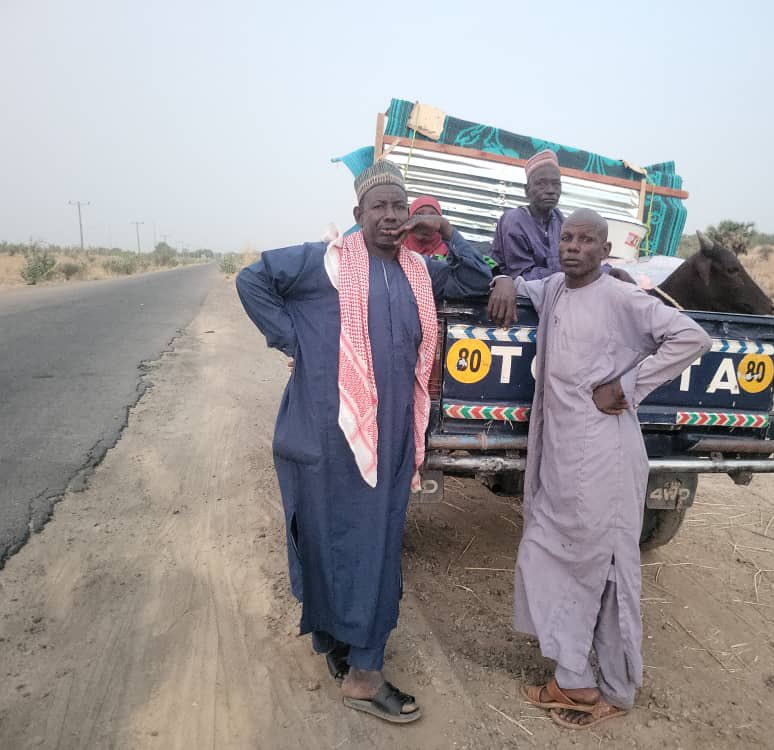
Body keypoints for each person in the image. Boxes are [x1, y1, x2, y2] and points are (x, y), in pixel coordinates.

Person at [236, 160, 492, 724]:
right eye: (381, 206)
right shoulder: (324, 263)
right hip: (326, 432)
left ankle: (350, 653)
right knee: (332, 538)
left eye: (401, 207)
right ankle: (362, 674)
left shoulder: (420, 272)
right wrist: (293, 339)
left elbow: (475, 278)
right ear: (358, 215)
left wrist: (445, 231)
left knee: (373, 545)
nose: (393, 216)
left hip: (393, 435)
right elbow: (251, 280)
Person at [487, 209, 710, 730]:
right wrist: (502, 278)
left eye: (587, 241)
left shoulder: (621, 296)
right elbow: (523, 285)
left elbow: (691, 337)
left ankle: (608, 687)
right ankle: (571, 673)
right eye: (568, 238)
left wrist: (630, 385)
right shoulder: (557, 290)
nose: (574, 247)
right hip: (561, 453)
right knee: (548, 551)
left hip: (603, 456)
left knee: (602, 570)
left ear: (605, 252)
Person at [491, 149, 565, 279]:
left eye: (556, 184)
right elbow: (522, 276)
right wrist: (569, 275)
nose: (550, 190)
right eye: (541, 184)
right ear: (526, 191)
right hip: (518, 294)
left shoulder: (559, 219)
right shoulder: (514, 220)